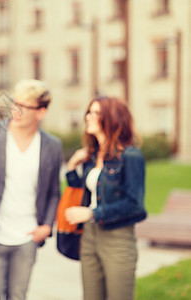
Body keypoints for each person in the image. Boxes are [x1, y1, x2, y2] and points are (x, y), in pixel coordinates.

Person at [0, 79, 63, 300]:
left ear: (41, 112)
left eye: (24, 107)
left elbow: (53, 191)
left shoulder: (52, 145)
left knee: (17, 296)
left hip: (27, 237)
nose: (16, 111)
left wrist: (47, 225)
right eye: (14, 104)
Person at [65, 96, 147, 300]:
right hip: (90, 236)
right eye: (89, 112)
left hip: (117, 238)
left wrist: (91, 213)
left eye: (95, 113)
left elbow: (135, 205)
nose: (88, 117)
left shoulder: (131, 156)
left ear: (112, 118)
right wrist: (72, 165)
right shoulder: (92, 156)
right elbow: (81, 189)